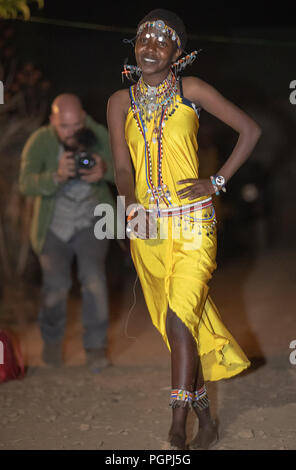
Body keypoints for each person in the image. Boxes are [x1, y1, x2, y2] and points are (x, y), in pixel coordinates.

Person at [107, 9, 261, 450]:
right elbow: (121, 166)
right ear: (135, 48)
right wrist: (129, 205)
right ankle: (205, 417)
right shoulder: (120, 101)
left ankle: (177, 426)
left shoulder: (191, 90)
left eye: (162, 40)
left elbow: (250, 130)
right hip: (149, 230)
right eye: (143, 38)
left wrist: (216, 182)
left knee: (179, 317)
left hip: (194, 223)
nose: (151, 46)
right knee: (177, 326)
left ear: (178, 52)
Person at [19, 93, 116, 369]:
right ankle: (51, 343)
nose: (71, 132)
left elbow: (125, 170)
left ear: (83, 118)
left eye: (76, 126)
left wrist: (104, 170)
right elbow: (25, 183)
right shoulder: (40, 141)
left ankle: (96, 349)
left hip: (93, 220)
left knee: (94, 279)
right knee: (55, 286)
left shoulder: (99, 134)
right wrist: (55, 176)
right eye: (64, 126)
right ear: (53, 120)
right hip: (53, 225)